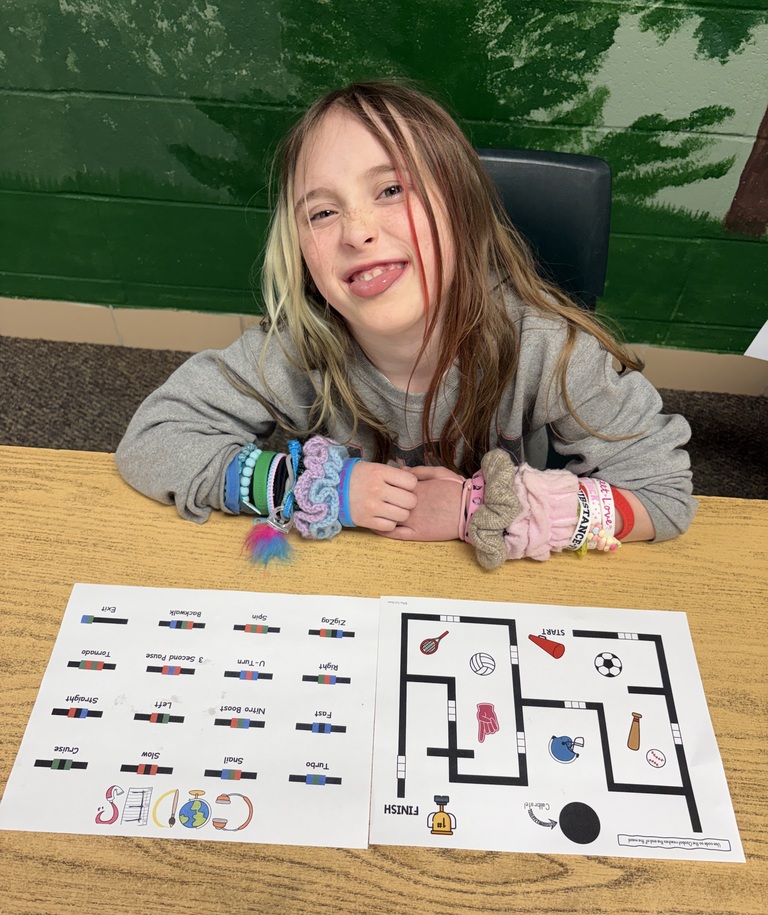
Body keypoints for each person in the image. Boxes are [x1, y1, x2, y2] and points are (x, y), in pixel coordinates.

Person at [115, 80, 696, 568]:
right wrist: (311, 491)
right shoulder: (298, 349)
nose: (356, 231)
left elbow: (663, 496)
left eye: (391, 189)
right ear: (302, 257)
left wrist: (484, 509)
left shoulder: (548, 348)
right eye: (322, 212)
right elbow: (152, 440)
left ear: (463, 210)